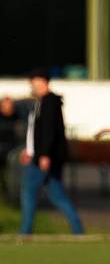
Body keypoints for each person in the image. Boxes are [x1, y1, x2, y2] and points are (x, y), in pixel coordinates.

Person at [19, 69, 84, 235]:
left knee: (29, 194)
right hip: (39, 155)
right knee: (57, 196)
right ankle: (78, 231)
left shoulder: (49, 102)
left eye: (35, 80)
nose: (33, 84)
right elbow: (35, 131)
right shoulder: (40, 102)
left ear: (43, 81)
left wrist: (44, 155)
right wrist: (28, 149)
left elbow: (49, 132)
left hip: (43, 158)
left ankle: (25, 233)